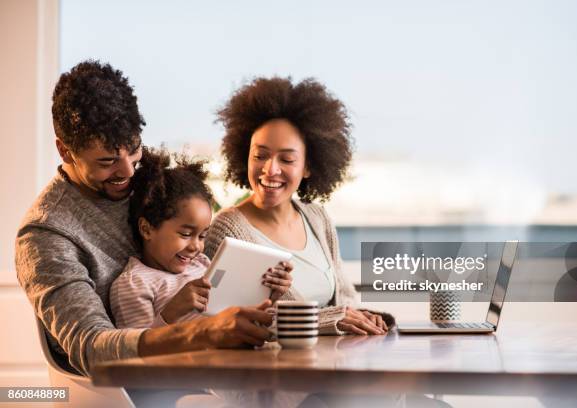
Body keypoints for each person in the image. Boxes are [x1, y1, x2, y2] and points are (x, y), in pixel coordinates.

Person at [15, 61, 273, 378]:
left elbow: (203, 256)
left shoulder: (150, 185)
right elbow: (92, 348)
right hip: (127, 390)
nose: (126, 173)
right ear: (65, 152)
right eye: (107, 161)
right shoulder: (46, 235)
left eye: (134, 150)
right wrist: (203, 333)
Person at [205, 76, 394, 335]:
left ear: (307, 167)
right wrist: (333, 319)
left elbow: (346, 298)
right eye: (260, 156)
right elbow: (233, 321)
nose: (270, 169)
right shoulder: (228, 229)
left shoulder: (317, 218)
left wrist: (362, 318)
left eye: (287, 159)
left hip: (334, 362)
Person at [110, 146, 292, 329]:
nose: (196, 246)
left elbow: (236, 316)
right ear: (146, 229)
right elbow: (135, 349)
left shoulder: (202, 265)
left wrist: (268, 297)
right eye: (186, 234)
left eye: (203, 235)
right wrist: (171, 312)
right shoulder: (135, 284)